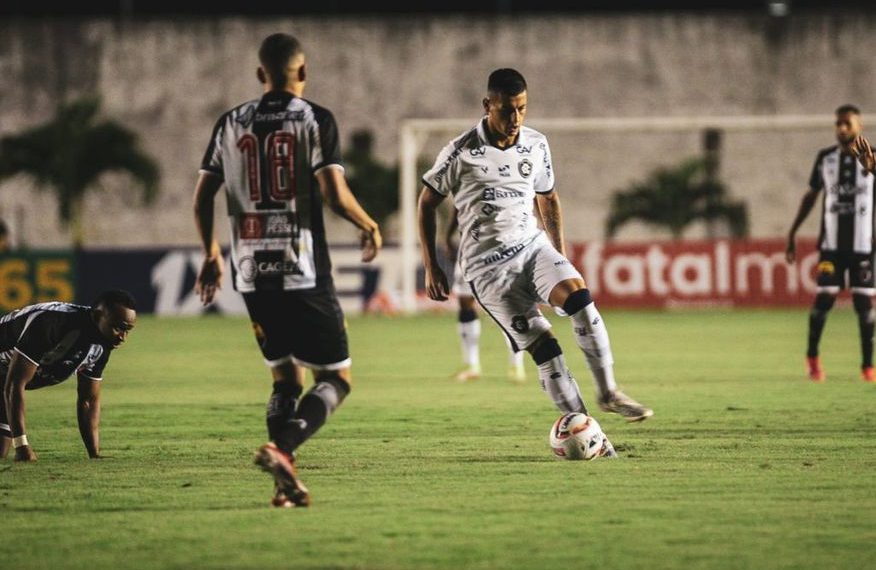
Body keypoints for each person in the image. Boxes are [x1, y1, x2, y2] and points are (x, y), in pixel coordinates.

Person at [193, 33, 382, 508]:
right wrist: (369, 224)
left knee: (284, 378)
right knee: (336, 379)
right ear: (303, 71)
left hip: (251, 269)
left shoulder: (230, 122)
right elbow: (334, 194)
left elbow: (202, 197)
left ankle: (285, 484)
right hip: (301, 268)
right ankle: (283, 448)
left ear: (261, 74)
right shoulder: (314, 118)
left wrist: (212, 253)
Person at [417, 68, 653, 437]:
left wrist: (559, 254)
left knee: (580, 299)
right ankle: (587, 429)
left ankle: (609, 391)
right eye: (506, 110)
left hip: (532, 247)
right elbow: (426, 203)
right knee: (546, 349)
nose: (515, 119)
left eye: (522, 109)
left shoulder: (536, 144)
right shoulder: (460, 152)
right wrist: (432, 267)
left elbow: (549, 197)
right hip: (488, 271)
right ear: (487, 105)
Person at [786, 104, 876, 383]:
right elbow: (811, 197)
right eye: (838, 124)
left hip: (863, 246)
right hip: (831, 247)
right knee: (824, 299)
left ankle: (867, 366)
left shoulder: (874, 157)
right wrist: (792, 233)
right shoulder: (826, 158)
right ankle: (812, 358)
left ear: (859, 126)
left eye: (847, 123)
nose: (842, 128)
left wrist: (873, 169)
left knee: (864, 307)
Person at [0, 289, 137, 461]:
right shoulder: (52, 323)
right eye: (118, 328)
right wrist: (21, 446)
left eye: (128, 330)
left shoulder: (101, 346)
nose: (123, 337)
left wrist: (94, 454)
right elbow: (15, 384)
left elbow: (88, 400)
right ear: (97, 316)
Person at [444, 208, 526, 382]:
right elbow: (459, 206)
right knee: (465, 301)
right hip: (470, 251)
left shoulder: (512, 183)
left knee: (509, 305)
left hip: (504, 249)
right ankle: (472, 365)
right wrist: (448, 236)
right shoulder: (467, 183)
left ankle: (516, 365)